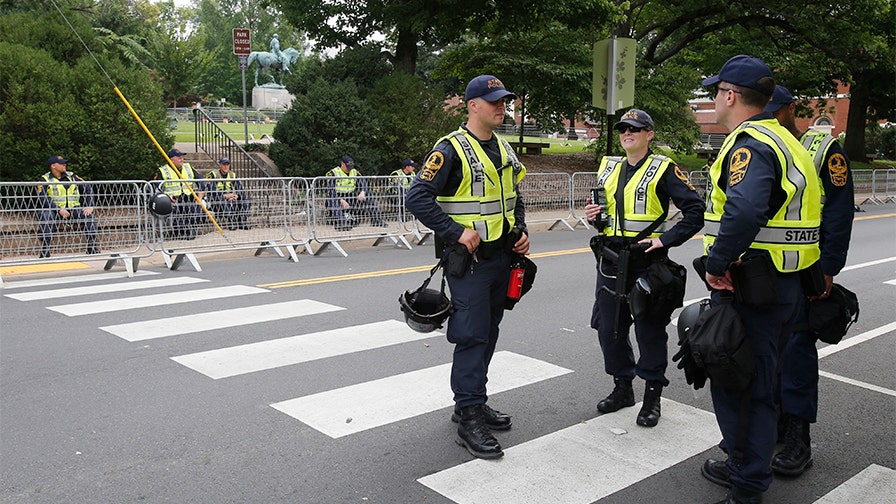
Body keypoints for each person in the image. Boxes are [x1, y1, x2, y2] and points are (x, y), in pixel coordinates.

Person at [697, 56, 821, 504]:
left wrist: (717, 264)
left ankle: (747, 483)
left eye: (715, 92)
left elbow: (746, 209)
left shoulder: (750, 143)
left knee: (741, 386)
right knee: (761, 382)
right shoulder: (789, 142)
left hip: (751, 286)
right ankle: (745, 466)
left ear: (730, 95)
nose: (714, 100)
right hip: (784, 283)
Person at [405, 74, 529, 460]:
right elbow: (418, 197)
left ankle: (472, 401)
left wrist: (521, 230)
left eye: (504, 101)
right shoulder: (451, 149)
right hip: (471, 263)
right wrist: (455, 231)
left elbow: (513, 196)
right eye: (493, 101)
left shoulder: (503, 148)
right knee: (472, 335)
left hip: (502, 257)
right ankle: (469, 417)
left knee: (489, 332)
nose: (501, 106)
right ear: (472, 105)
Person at [585, 109, 704, 427]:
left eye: (635, 129)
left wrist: (666, 240)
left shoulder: (663, 168)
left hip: (646, 263)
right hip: (611, 261)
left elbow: (696, 211)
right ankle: (622, 387)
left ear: (649, 134)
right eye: (623, 129)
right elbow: (603, 214)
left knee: (649, 332)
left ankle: (652, 397)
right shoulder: (609, 167)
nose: (627, 133)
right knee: (609, 329)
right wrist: (593, 215)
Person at [765, 85, 854, 477]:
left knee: (797, 353)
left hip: (806, 269)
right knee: (763, 350)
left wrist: (829, 268)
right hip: (762, 269)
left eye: (770, 110)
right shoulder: (760, 144)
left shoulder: (822, 149)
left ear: (786, 111)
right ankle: (774, 424)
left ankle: (799, 437)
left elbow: (838, 211)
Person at [35, 155, 98, 258]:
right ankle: (45, 248)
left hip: (73, 208)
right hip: (54, 209)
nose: (65, 165)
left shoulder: (72, 176)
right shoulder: (44, 179)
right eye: (61, 163)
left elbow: (88, 188)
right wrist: (59, 209)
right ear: (53, 166)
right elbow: (43, 198)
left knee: (88, 216)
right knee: (46, 216)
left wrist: (90, 206)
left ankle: (91, 247)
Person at [153, 148, 206, 240]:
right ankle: (181, 232)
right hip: (173, 200)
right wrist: (167, 198)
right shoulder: (163, 170)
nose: (182, 159)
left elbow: (201, 180)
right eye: (179, 158)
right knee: (175, 213)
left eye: (182, 157)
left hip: (188, 197)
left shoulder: (188, 167)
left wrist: (200, 196)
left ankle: (192, 229)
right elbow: (157, 188)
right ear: (171, 159)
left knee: (198, 210)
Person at [325, 156, 386, 231]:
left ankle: (376, 220)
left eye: (350, 166)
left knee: (368, 194)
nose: (349, 169)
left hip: (350, 195)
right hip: (337, 196)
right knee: (333, 200)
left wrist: (363, 192)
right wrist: (341, 200)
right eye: (347, 167)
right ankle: (341, 223)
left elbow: (363, 182)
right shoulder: (333, 173)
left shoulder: (354, 171)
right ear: (342, 164)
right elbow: (330, 190)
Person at [206, 157, 251, 230]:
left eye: (227, 164)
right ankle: (231, 220)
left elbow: (239, 188)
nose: (226, 166)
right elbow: (211, 190)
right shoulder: (213, 174)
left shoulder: (232, 174)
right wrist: (225, 196)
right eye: (224, 164)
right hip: (215, 200)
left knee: (246, 198)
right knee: (221, 198)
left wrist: (236, 195)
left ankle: (242, 220)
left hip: (229, 197)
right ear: (220, 165)